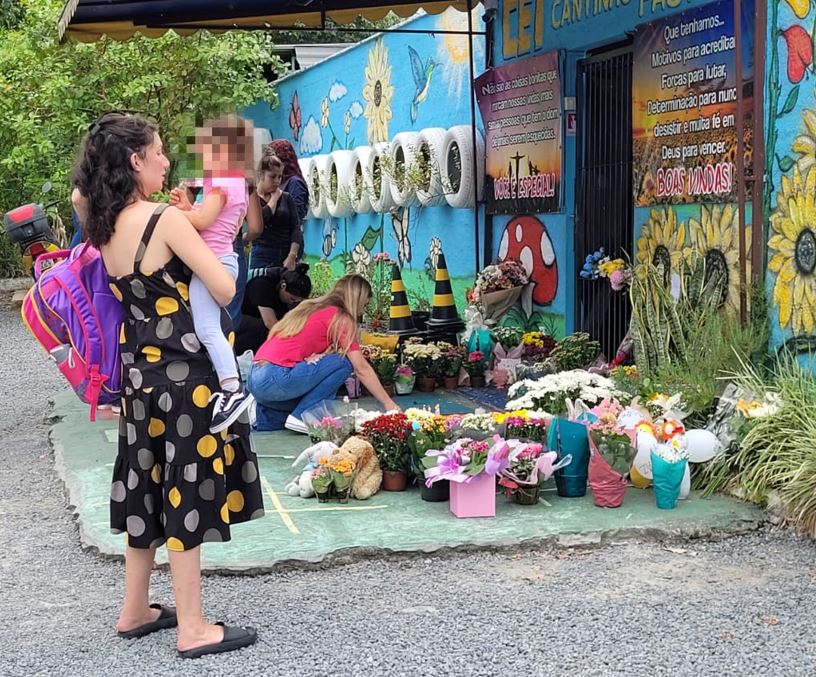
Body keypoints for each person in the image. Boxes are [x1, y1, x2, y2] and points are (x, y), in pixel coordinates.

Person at [73, 112, 263, 658]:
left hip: (139, 378)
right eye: (157, 152)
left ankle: (135, 610)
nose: (165, 161)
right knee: (190, 488)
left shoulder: (103, 225)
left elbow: (82, 198)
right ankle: (194, 627)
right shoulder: (162, 220)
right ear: (135, 161)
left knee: (145, 485)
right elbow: (226, 289)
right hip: (184, 376)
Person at [169, 114, 262, 433]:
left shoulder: (221, 180)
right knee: (212, 327)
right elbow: (210, 219)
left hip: (214, 262)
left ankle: (232, 389)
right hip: (223, 259)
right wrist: (187, 206)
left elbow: (202, 222)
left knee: (207, 328)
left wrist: (179, 212)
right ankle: (227, 383)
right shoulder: (236, 181)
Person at [248, 274, 400, 432]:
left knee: (314, 403)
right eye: (364, 305)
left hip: (255, 378)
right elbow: (361, 368)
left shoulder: (309, 307)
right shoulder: (341, 317)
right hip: (275, 377)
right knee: (343, 363)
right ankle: (303, 417)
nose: (363, 311)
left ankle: (261, 415)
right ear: (358, 299)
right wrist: (388, 403)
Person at [234, 263, 312, 355]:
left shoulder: (283, 281)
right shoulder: (261, 283)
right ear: (283, 286)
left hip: (248, 316)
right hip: (232, 318)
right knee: (262, 330)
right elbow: (270, 323)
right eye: (292, 299)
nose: (292, 302)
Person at [247, 151, 303, 271]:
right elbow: (261, 220)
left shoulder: (287, 198)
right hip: (262, 253)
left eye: (280, 177)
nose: (277, 181)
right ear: (261, 175)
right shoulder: (252, 198)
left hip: (284, 253)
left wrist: (292, 255)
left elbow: (296, 228)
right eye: (272, 177)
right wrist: (274, 199)